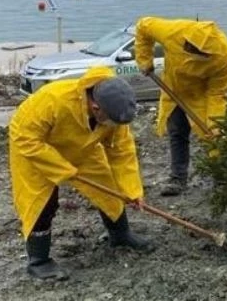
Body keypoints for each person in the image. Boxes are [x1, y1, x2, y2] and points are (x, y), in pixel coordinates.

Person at [9, 68, 152, 281]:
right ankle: (39, 261)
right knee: (41, 203)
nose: (114, 126)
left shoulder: (113, 114)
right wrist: (63, 169)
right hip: (37, 151)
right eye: (111, 121)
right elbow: (25, 138)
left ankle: (120, 234)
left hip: (84, 148)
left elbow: (121, 152)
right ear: (95, 107)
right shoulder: (53, 99)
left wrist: (132, 190)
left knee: (109, 187)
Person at [134, 16, 227, 195]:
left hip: (199, 97)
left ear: (206, 53)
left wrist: (216, 123)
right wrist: (144, 60)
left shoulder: (222, 58)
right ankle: (178, 179)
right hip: (172, 90)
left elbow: (217, 94)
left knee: (212, 135)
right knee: (177, 133)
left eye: (193, 50)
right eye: (187, 46)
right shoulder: (174, 31)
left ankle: (221, 177)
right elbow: (143, 26)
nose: (188, 49)